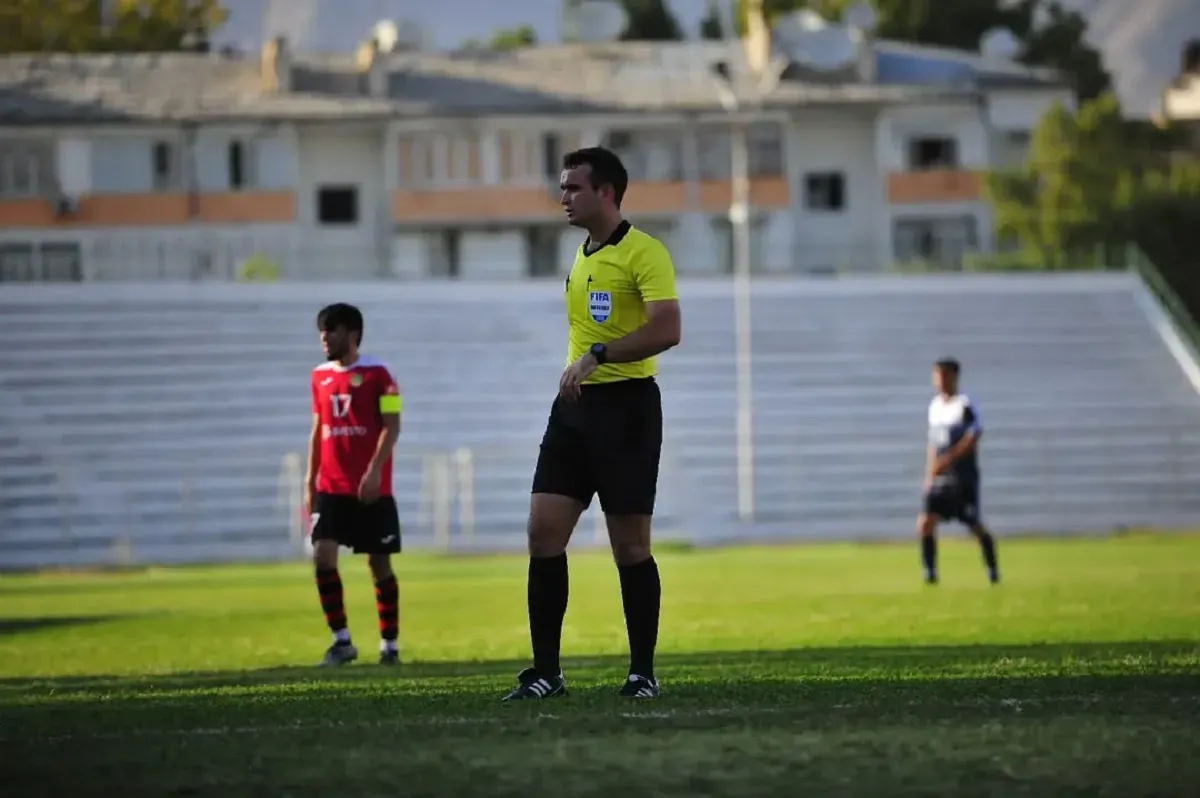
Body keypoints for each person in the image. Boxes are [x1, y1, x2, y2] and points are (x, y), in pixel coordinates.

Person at [501, 147, 683, 701]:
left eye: (574, 188)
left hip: (627, 410)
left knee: (630, 547)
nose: (563, 198)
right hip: (575, 412)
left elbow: (668, 329)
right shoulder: (582, 253)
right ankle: (547, 672)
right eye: (562, 188)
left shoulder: (645, 252)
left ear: (606, 192)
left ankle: (642, 673)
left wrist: (598, 355)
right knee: (542, 532)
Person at [306, 303, 404, 666]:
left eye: (330, 330)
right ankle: (341, 640)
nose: (324, 338)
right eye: (321, 331)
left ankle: (389, 645)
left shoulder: (380, 374)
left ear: (352, 334)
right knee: (322, 558)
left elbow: (392, 425)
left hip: (370, 489)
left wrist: (376, 470)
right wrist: (309, 479)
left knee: (379, 567)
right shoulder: (319, 377)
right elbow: (318, 429)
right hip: (330, 487)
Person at [920, 357, 999, 585]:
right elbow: (933, 442)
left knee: (974, 525)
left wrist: (949, 459)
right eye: (937, 376)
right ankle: (930, 573)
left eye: (944, 376)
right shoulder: (935, 407)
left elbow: (973, 435)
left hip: (963, 476)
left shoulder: (964, 404)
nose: (940, 381)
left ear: (954, 377)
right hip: (940, 477)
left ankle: (992, 570)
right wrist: (929, 473)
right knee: (926, 522)